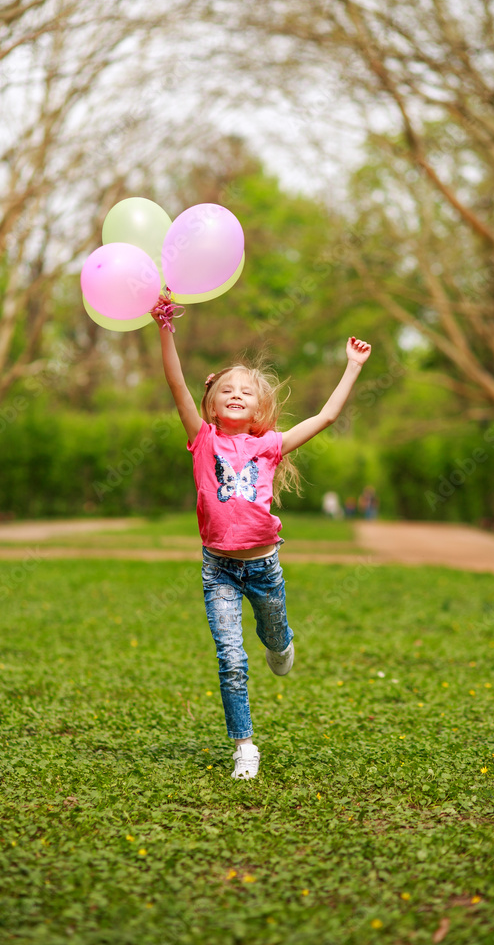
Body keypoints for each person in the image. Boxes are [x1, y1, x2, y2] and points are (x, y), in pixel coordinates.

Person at [152, 296, 371, 779]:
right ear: (211, 402)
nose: (235, 393)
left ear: (259, 408)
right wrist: (165, 328)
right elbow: (174, 383)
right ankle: (244, 746)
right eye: (226, 389)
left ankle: (281, 640)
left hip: (265, 569)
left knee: (274, 641)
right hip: (219, 571)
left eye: (245, 391)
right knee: (231, 659)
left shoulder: (269, 445)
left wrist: (352, 367)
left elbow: (325, 419)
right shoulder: (202, 438)